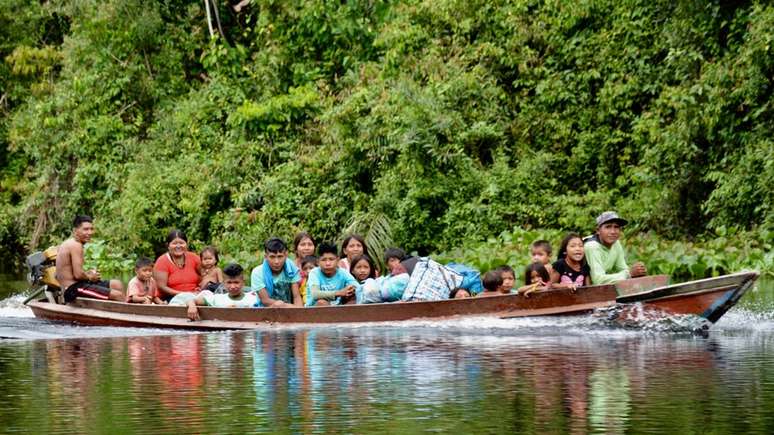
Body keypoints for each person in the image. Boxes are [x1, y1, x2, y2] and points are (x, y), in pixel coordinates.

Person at [56, 215, 124, 302]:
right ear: (75, 230)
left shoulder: (71, 243)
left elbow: (75, 273)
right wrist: (90, 277)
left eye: (91, 229)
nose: (90, 232)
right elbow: (78, 275)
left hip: (79, 284)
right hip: (72, 289)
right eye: (86, 229)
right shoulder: (76, 245)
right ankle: (128, 314)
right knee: (118, 295)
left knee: (116, 284)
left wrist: (88, 274)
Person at [584, 211, 647, 284]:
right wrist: (629, 274)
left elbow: (623, 268)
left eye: (616, 227)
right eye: (608, 227)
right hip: (578, 287)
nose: (613, 232)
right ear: (598, 230)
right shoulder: (592, 246)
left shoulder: (616, 243)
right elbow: (598, 280)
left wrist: (637, 271)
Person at [187, 263, 259, 320]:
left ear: (243, 282)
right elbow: (191, 300)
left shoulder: (253, 298)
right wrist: (192, 306)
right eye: (229, 282)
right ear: (224, 283)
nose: (232, 286)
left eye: (236, 282)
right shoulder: (217, 298)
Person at [251, 237, 302, 307]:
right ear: (266, 257)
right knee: (277, 304)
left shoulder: (292, 269)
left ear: (286, 255)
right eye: (272, 257)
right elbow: (265, 300)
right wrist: (284, 305)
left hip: (290, 311)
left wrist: (300, 311)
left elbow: (296, 296)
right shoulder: (258, 272)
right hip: (267, 311)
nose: (276, 261)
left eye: (280, 256)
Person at [305, 242, 359, 306]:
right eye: (324, 260)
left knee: (354, 298)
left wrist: (350, 289)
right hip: (314, 311)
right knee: (322, 302)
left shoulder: (343, 272)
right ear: (318, 262)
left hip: (338, 310)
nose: (328, 263)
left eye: (331, 259)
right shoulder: (314, 273)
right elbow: (315, 294)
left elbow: (358, 287)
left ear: (338, 260)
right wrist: (339, 293)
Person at [154, 229, 201, 301]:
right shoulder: (162, 261)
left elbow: (205, 274)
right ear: (168, 245)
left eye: (181, 243)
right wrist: (183, 294)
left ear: (186, 244)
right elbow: (162, 287)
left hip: (195, 296)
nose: (178, 246)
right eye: (174, 243)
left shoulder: (194, 257)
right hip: (172, 298)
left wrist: (201, 287)